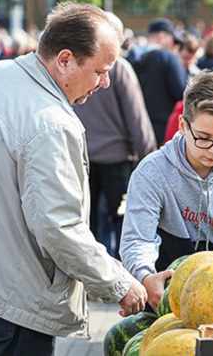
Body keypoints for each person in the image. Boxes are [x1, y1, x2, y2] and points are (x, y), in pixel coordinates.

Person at [0, 2, 147, 355]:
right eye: (100, 71)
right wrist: (119, 283)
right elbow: (59, 227)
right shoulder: (51, 123)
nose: (105, 83)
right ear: (65, 60)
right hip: (10, 297)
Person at [121, 71, 213, 310]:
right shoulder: (152, 172)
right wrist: (145, 275)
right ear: (183, 126)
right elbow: (138, 239)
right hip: (164, 292)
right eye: (203, 138)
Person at [73, 13, 157, 258]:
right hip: (116, 159)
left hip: (82, 155)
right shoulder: (119, 68)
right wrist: (149, 158)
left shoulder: (79, 64)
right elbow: (136, 117)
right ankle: (121, 270)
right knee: (122, 222)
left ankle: (89, 268)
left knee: (85, 222)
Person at [132, 18, 188, 146]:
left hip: (138, 127)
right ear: (162, 36)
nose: (176, 47)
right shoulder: (169, 58)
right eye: (174, 41)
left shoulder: (133, 58)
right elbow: (182, 92)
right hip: (165, 127)